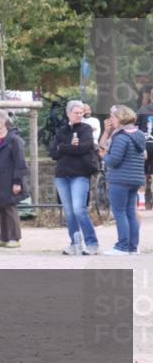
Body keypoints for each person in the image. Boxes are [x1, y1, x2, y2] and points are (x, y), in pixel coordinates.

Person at [49, 100, 100, 256]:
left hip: (80, 174)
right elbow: (53, 153)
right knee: (69, 212)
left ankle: (92, 243)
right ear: (68, 114)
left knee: (79, 210)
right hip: (62, 175)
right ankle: (75, 243)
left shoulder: (86, 129)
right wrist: (70, 146)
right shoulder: (61, 131)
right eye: (76, 113)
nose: (79, 115)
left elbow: (84, 148)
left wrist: (63, 147)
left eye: (81, 113)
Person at [99, 105, 146, 255]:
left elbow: (114, 160)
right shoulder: (138, 134)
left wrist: (103, 156)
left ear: (120, 118)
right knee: (130, 213)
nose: (111, 120)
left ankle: (122, 246)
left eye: (113, 117)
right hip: (135, 179)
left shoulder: (121, 136)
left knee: (119, 213)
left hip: (120, 179)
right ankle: (133, 246)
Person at [0, 109, 27, 248]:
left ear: (3, 122)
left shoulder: (14, 139)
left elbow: (20, 162)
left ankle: (15, 238)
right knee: (0, 208)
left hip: (9, 180)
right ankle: (4, 237)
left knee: (9, 208)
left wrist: (17, 182)